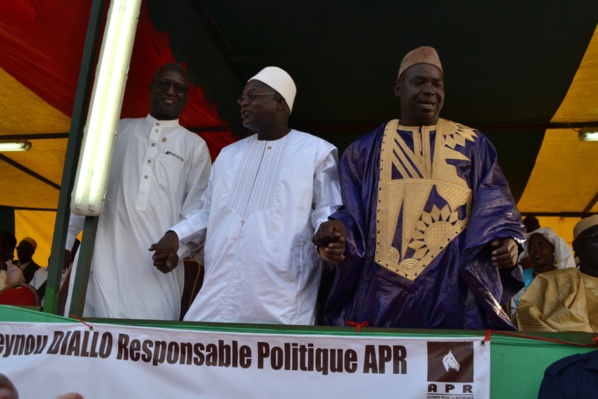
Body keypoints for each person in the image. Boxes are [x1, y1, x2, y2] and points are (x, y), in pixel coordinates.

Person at [313, 46, 525, 330]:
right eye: (419, 82)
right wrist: (337, 232)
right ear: (398, 88)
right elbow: (352, 214)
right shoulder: (363, 151)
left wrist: (508, 239)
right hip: (380, 295)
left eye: (437, 85)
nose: (430, 91)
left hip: (453, 292)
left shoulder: (473, 145)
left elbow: (496, 204)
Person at [151, 66, 343, 325]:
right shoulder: (229, 155)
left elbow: (327, 211)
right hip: (217, 299)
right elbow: (209, 212)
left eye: (253, 96)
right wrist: (176, 237)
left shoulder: (316, 151)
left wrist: (329, 234)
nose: (244, 103)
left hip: (281, 302)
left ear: (279, 102)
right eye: (242, 98)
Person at [64, 63, 211, 320]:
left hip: (155, 269)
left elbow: (198, 211)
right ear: (150, 88)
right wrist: (65, 244)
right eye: (163, 84)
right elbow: (85, 191)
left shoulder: (194, 146)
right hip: (100, 261)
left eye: (179, 88)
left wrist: (179, 252)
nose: (170, 91)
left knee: (147, 350)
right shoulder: (116, 131)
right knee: (88, 345)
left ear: (187, 97)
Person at [515, 214, 598, 332]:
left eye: (541, 245)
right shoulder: (553, 282)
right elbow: (526, 319)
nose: (536, 249)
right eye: (597, 237)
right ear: (577, 246)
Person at [508, 227, 575, 317]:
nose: (536, 249)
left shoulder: (564, 279)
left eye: (542, 245)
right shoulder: (520, 277)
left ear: (553, 250)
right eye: (531, 246)